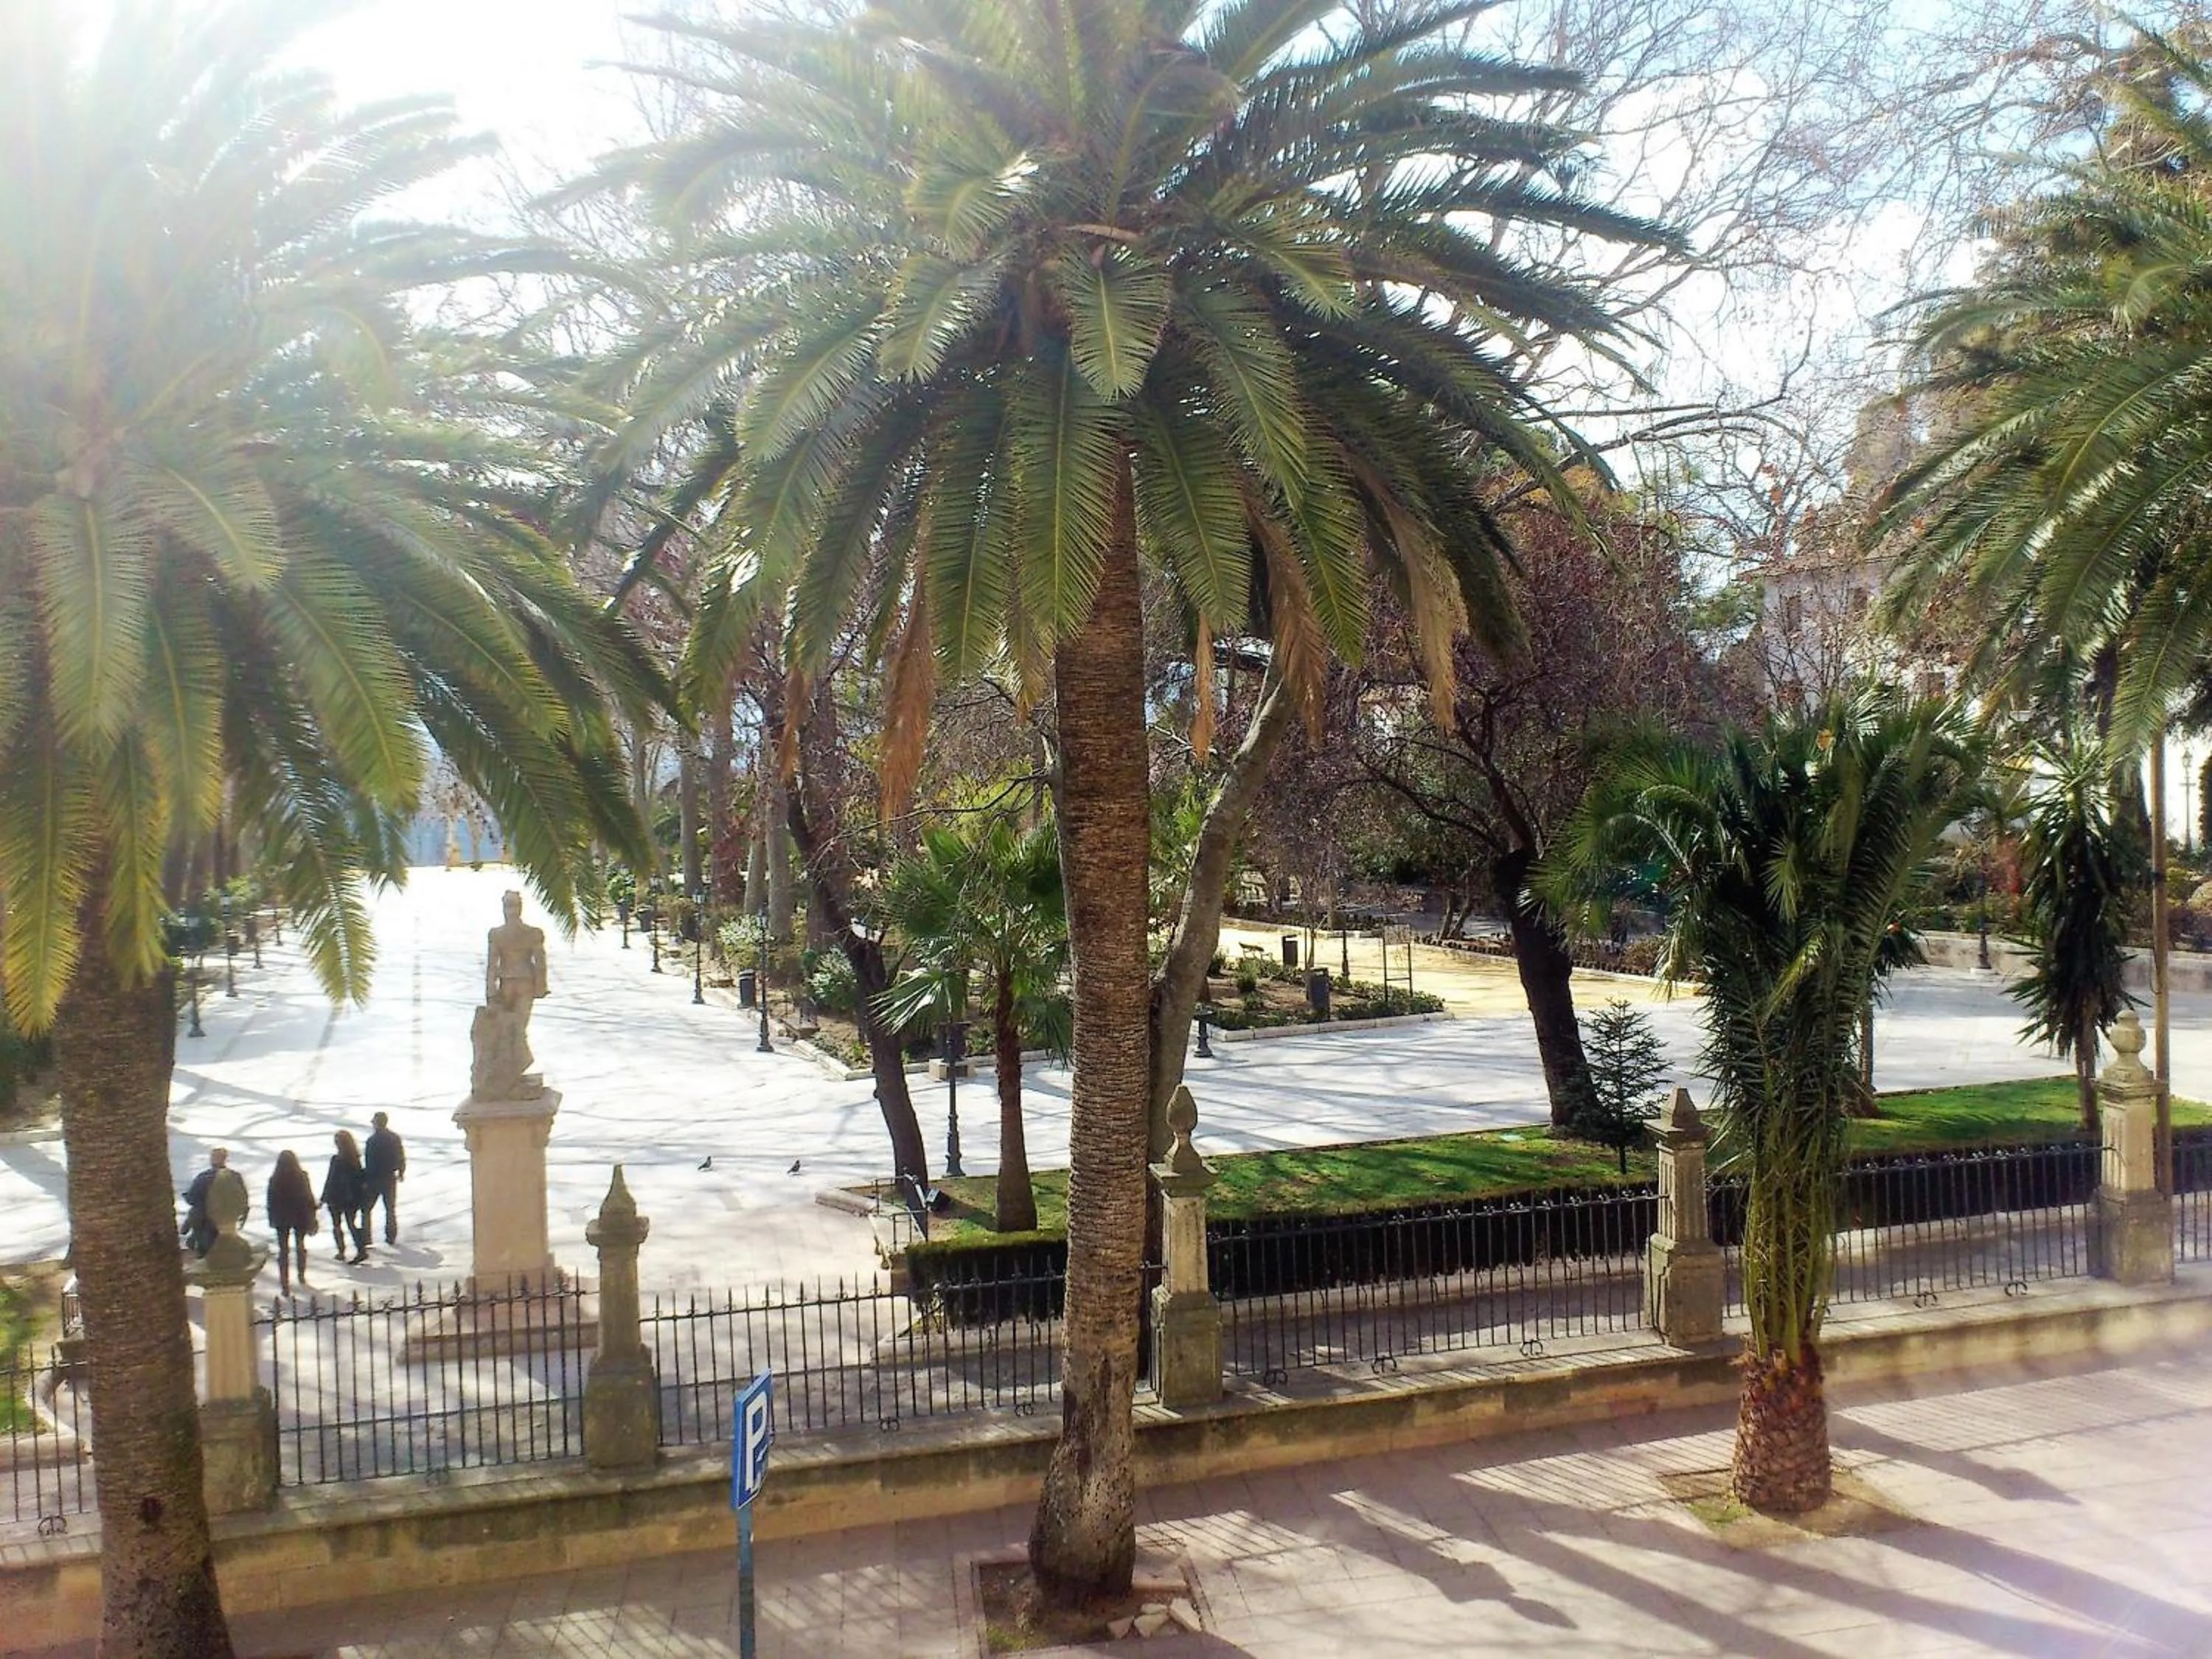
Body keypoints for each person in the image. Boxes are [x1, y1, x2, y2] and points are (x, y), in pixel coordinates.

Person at [265, 1150, 319, 1295]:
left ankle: (285, 1283)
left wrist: (272, 1219)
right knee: (300, 1246)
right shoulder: (302, 1177)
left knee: (283, 1251)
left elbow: (271, 1201)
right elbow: (308, 1196)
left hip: (282, 1218)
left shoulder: (275, 1179)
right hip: (299, 1216)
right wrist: (312, 1213)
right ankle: (301, 1274)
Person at [321, 1130, 368, 1264]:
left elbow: (331, 1179)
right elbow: (358, 1179)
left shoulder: (337, 1160)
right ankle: (361, 1249)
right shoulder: (355, 1159)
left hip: (336, 1197)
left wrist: (324, 1197)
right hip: (352, 1198)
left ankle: (341, 1251)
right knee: (351, 1224)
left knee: (337, 1225)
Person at [363, 1111, 406, 1245]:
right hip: (390, 1177)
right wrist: (401, 1171)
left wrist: (365, 1180)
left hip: (374, 1179)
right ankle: (391, 1236)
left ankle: (366, 1237)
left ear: (376, 1124)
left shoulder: (372, 1141)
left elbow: (369, 1162)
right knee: (390, 1209)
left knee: (366, 1209)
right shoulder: (395, 1138)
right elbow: (401, 1156)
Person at [180, 1148, 232, 1257]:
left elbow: (192, 1198)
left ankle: (197, 1247)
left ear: (212, 1160)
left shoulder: (203, 1177)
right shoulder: (234, 1177)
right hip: (226, 1218)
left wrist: (186, 1197)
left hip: (203, 1217)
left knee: (203, 1245)